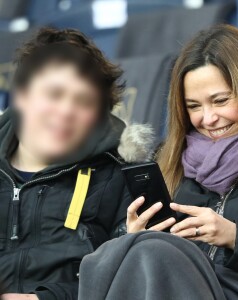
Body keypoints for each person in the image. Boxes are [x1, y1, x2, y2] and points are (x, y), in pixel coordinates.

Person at [79, 24, 238, 300]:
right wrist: (132, 236)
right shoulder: (170, 158)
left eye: (220, 101)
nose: (207, 119)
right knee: (126, 253)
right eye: (194, 106)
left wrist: (236, 237)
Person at [0, 27, 151, 300]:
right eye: (54, 94)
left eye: (83, 101)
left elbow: (127, 281)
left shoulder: (118, 177)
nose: (67, 111)